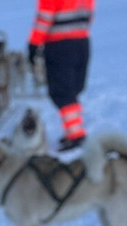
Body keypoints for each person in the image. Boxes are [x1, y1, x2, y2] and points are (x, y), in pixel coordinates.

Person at [27, 0, 94, 151]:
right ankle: (73, 130)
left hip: (60, 45)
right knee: (73, 88)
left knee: (62, 92)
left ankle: (76, 134)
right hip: (82, 42)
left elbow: (44, 19)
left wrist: (34, 44)